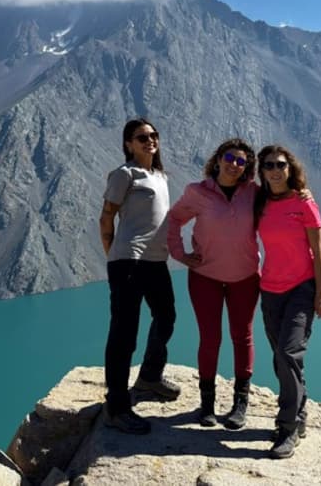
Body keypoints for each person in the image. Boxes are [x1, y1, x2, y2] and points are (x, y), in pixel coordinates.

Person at [166, 139, 261, 429]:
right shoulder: (197, 192)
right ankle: (206, 405)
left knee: (242, 336)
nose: (234, 164)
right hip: (205, 276)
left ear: (247, 167)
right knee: (210, 338)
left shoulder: (255, 193)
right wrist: (180, 254)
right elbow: (174, 219)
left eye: (241, 161)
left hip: (245, 277)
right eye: (229, 157)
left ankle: (239, 405)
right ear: (218, 159)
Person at [98, 118, 181, 435]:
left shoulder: (159, 175)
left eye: (153, 135)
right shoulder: (124, 174)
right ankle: (116, 407)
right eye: (142, 137)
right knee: (124, 333)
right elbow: (107, 215)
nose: (150, 140)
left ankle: (149, 376)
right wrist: (112, 253)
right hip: (129, 261)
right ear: (128, 144)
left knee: (167, 316)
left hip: (155, 261)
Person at [254, 144, 321, 459]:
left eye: (280, 164)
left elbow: (319, 250)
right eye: (268, 165)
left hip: (301, 288)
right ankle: (299, 416)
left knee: (288, 352)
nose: (274, 170)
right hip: (269, 288)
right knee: (282, 358)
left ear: (290, 168)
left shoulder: (303, 203)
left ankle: (287, 428)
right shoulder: (259, 202)